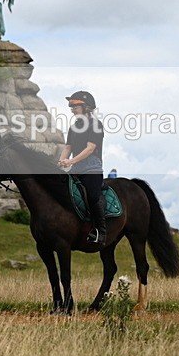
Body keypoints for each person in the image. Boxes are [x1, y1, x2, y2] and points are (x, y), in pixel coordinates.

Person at [58, 91, 106, 246]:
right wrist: (60, 162)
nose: (72, 108)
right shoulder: (73, 128)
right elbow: (68, 147)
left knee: (92, 197)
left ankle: (100, 231)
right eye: (70, 106)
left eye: (75, 105)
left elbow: (90, 149)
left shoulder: (96, 125)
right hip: (76, 169)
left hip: (92, 169)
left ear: (87, 107)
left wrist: (71, 161)